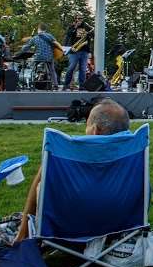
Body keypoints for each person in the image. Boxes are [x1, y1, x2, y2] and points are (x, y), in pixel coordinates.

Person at [15, 98, 130, 242]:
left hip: (68, 229)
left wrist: (21, 234)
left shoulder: (64, 154)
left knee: (41, 184)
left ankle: (23, 233)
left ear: (94, 130)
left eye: (87, 124)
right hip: (121, 226)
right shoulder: (133, 154)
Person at [62, 18, 92, 90]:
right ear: (75, 20)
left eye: (81, 19)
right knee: (71, 68)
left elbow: (91, 36)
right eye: (78, 19)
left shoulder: (86, 27)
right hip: (74, 51)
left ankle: (82, 86)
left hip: (84, 50)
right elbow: (68, 35)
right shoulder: (71, 27)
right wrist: (75, 27)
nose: (79, 20)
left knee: (83, 69)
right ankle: (66, 84)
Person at [27, 24, 58, 89]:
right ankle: (55, 84)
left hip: (38, 57)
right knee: (52, 70)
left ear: (38, 29)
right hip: (49, 57)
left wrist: (20, 52)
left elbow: (27, 47)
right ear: (45, 30)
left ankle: (32, 80)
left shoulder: (35, 37)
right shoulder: (50, 36)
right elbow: (56, 44)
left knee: (32, 66)